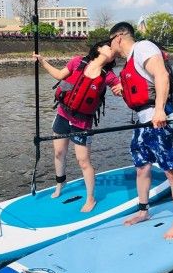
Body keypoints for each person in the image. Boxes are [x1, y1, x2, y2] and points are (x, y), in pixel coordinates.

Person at [108, 22, 173, 239]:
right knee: (142, 167)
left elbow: (161, 76)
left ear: (119, 38)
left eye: (110, 42)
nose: (110, 47)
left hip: (161, 117)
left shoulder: (143, 47)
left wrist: (160, 110)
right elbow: (142, 85)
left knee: (171, 171)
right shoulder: (129, 62)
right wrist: (124, 89)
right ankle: (143, 211)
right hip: (144, 122)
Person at [33, 43, 122, 212]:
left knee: (83, 161)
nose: (112, 50)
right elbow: (59, 74)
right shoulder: (77, 62)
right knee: (59, 153)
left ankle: (90, 198)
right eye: (108, 46)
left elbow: (120, 87)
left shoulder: (108, 76)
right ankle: (60, 183)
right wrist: (43, 61)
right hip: (63, 114)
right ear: (98, 49)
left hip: (82, 122)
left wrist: (122, 89)